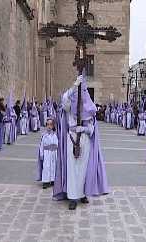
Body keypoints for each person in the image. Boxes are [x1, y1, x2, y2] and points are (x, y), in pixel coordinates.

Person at [54, 74, 108, 210]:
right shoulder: (69, 105)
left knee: (83, 169)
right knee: (72, 169)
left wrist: (83, 128)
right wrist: (74, 86)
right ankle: (72, 196)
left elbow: (91, 129)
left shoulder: (88, 107)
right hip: (72, 138)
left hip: (84, 140)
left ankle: (83, 193)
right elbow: (64, 99)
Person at [37, 118, 58, 189]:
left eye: (51, 125)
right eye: (48, 124)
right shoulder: (44, 135)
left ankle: (53, 180)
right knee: (46, 167)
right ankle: (45, 181)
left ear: (53, 126)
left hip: (53, 153)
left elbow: (57, 144)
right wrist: (41, 154)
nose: (49, 126)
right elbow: (41, 145)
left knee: (53, 166)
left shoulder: (55, 135)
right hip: (46, 153)